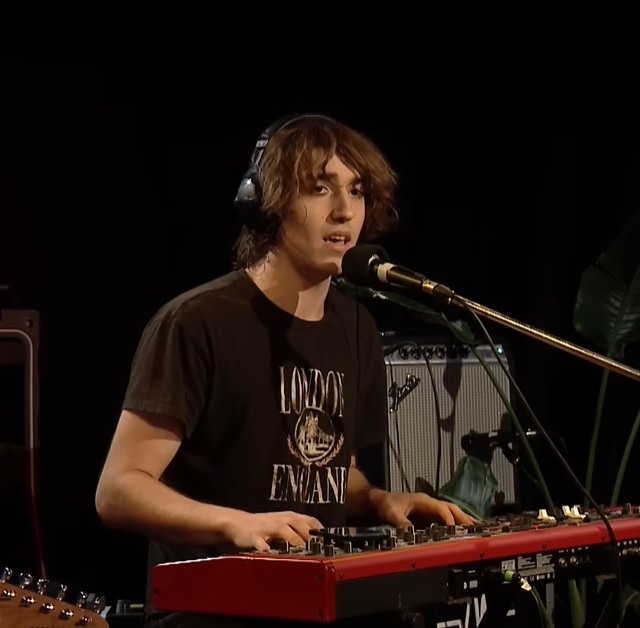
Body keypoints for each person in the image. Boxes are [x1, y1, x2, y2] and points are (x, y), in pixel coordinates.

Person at [94, 112, 475, 628]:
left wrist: (379, 500)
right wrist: (237, 525)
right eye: (320, 188)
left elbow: (330, 474)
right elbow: (119, 490)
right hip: (215, 612)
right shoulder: (196, 322)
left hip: (316, 604)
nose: (344, 211)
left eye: (357, 191)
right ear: (265, 203)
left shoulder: (356, 327)